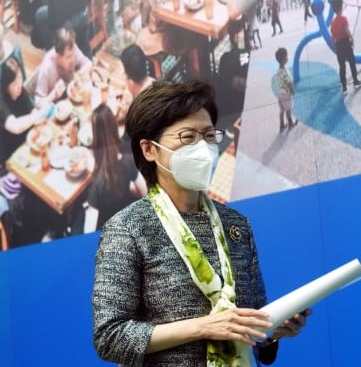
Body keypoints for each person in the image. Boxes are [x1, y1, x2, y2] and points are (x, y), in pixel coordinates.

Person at [92, 81, 309, 366]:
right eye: (188, 137)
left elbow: (251, 329)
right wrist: (205, 327)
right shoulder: (128, 228)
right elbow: (111, 336)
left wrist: (273, 331)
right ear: (148, 149)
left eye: (208, 135)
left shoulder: (237, 226)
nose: (203, 147)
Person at [0, 57, 55, 247]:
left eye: (20, 80)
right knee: (33, 194)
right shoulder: (1, 106)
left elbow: (33, 111)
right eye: (16, 83)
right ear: (6, 84)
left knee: (47, 173)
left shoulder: (21, 94)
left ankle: (49, 225)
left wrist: (49, 100)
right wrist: (36, 116)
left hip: (25, 153)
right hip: (8, 167)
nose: (20, 85)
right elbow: (17, 126)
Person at [84, 104, 146, 233]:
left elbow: (88, 232)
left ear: (95, 137)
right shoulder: (129, 161)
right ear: (114, 127)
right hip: (126, 218)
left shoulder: (97, 184)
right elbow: (145, 194)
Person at [35, 24, 92, 104]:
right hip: (56, 107)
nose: (72, 60)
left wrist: (79, 74)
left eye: (72, 55)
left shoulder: (72, 49)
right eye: (68, 57)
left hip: (72, 97)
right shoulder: (46, 68)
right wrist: (53, 95)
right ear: (58, 55)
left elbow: (88, 63)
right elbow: (38, 103)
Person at [329, 0, 361, 92]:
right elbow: (347, 30)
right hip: (345, 42)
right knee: (351, 61)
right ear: (341, 7)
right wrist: (351, 38)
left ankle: (344, 87)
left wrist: (336, 46)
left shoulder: (333, 22)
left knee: (342, 66)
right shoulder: (343, 19)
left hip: (338, 45)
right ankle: (355, 81)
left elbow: (332, 37)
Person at [273, 48, 296, 131]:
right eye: (286, 56)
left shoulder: (278, 71)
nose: (287, 58)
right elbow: (289, 83)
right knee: (288, 110)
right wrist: (292, 91)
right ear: (283, 60)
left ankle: (282, 125)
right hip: (286, 94)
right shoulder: (284, 71)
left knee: (282, 110)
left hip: (280, 94)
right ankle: (291, 124)